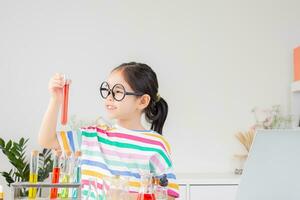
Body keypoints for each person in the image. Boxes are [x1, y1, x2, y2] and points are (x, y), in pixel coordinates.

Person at [38, 62, 179, 199]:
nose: (109, 97)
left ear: (142, 101)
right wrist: (55, 99)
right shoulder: (91, 136)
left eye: (118, 91)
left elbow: (170, 195)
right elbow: (47, 140)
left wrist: (127, 196)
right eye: (107, 90)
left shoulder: (156, 144)